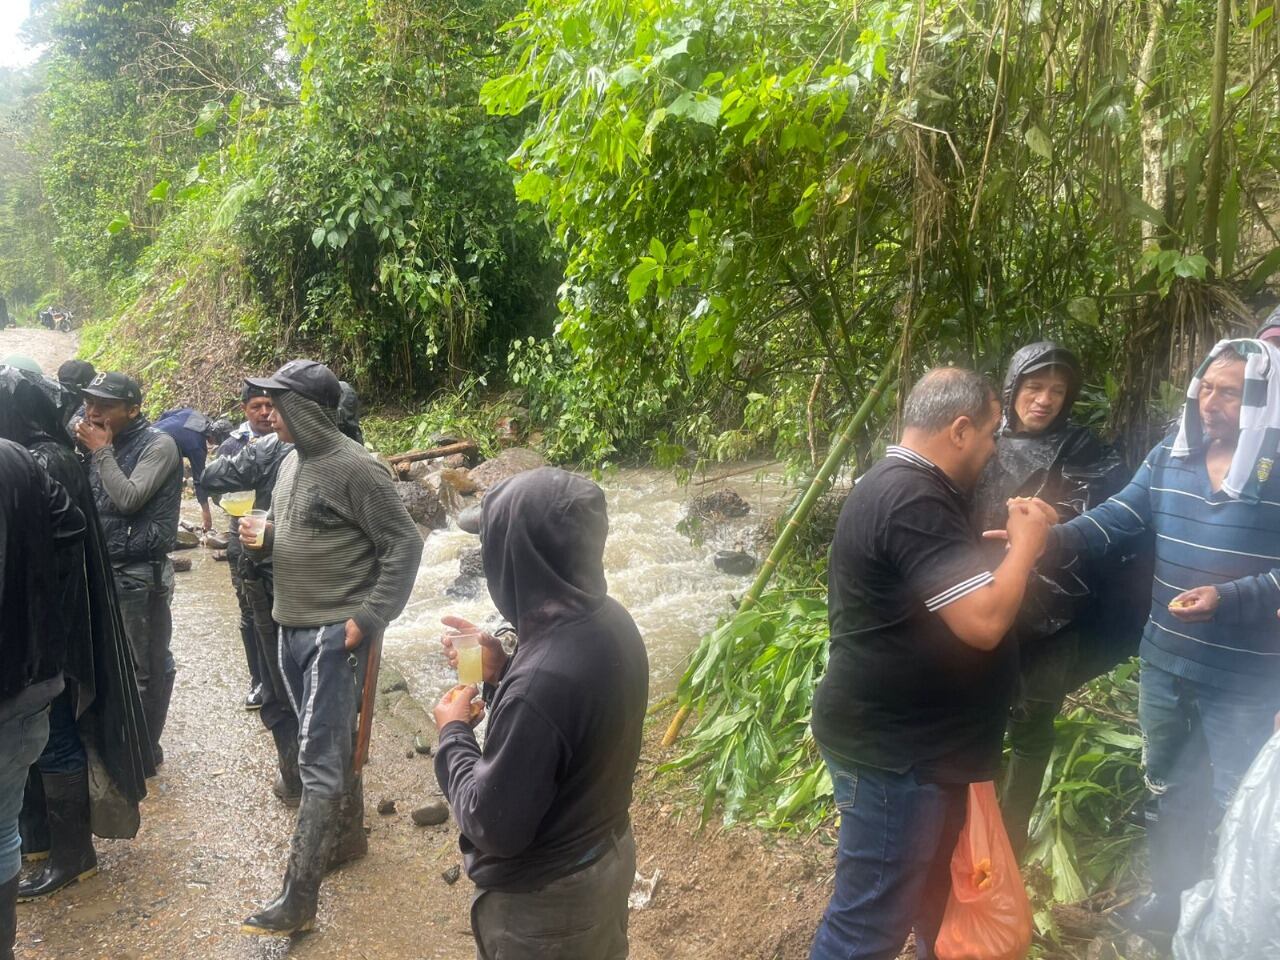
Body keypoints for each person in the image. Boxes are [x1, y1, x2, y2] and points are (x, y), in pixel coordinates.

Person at [1032, 339, 1280, 941]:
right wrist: (1052, 536)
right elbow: (1122, 515)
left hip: (1246, 675)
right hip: (1167, 658)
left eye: (1228, 391)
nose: (1209, 401)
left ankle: (1229, 920)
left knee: (1236, 798)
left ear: (1261, 400)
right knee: (1168, 784)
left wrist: (1231, 596)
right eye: (1205, 387)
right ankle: (1169, 902)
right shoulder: (1173, 452)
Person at [807, 367, 1052, 960]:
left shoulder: (909, 487)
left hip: (920, 750)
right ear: (961, 430)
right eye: (993, 433)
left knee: (933, 903)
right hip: (894, 756)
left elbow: (941, 596)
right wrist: (1027, 548)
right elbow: (985, 620)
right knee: (869, 923)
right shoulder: (911, 496)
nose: (996, 449)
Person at [432, 468, 649, 960]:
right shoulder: (610, 619)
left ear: (517, 558)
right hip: (606, 855)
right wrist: (502, 670)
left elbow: (493, 824)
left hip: (550, 902)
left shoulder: (541, 682)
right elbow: (574, 730)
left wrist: (453, 735)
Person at [238, 359, 422, 937]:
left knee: (318, 759)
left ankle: (299, 897)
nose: (268, 412)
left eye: (279, 403)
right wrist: (266, 540)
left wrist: (369, 616)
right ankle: (345, 839)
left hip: (331, 634)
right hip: (291, 626)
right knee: (330, 741)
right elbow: (306, 530)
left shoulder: (357, 468)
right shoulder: (292, 463)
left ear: (310, 411)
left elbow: (404, 543)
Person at [973, 342, 1146, 854]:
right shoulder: (984, 442)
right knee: (977, 713)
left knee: (1031, 717)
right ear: (1012, 390)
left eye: (1057, 390)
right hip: (978, 599)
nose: (1044, 399)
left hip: (1053, 610)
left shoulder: (1086, 449)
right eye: (1034, 387)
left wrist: (1050, 518)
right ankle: (971, 823)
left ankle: (1010, 837)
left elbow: (1105, 513)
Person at [0, 370, 153, 900]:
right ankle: (38, 840)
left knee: (57, 734)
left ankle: (73, 853)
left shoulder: (44, 460)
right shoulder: (37, 455)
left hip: (58, 627)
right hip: (47, 621)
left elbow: (57, 542)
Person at [0, 438, 85, 960]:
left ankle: (71, 853)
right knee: (3, 823)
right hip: (33, 674)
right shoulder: (18, 456)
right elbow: (70, 525)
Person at [75, 372, 182, 767]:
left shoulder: (159, 445)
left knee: (146, 666)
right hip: (105, 568)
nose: (93, 410)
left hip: (141, 574)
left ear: (133, 409)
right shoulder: (98, 438)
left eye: (104, 404)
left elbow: (128, 499)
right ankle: (122, 745)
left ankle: (142, 753)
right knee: (110, 663)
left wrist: (101, 452)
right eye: (89, 401)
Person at [204, 385, 277, 711]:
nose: (265, 413)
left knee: (278, 611)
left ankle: (280, 678)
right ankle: (259, 680)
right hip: (243, 536)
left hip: (280, 537)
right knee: (250, 612)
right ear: (244, 408)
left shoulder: (288, 441)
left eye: (270, 406)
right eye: (257, 406)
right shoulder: (233, 445)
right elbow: (219, 490)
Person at [151, 407, 227, 533]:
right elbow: (199, 480)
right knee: (170, 484)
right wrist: (206, 514)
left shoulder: (195, 414)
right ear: (215, 439)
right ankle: (163, 526)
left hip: (146, 435)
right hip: (154, 451)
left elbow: (166, 414)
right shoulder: (197, 447)